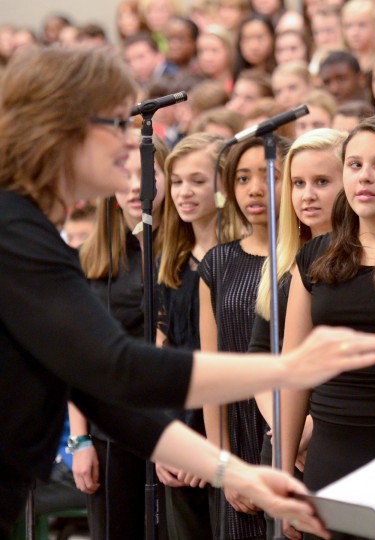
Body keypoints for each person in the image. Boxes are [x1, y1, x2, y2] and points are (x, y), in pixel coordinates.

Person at [0, 43, 375, 539]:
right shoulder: (14, 232)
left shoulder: (23, 228)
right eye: (119, 123)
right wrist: (286, 369)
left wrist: (236, 471)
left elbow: (110, 398)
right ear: (63, 128)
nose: (134, 142)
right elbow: (121, 369)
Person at [280, 115, 375, 540]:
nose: (364, 176)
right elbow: (294, 373)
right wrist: (283, 476)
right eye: (354, 164)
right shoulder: (315, 256)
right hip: (331, 456)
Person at [248, 128, 346, 537]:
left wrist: (312, 426)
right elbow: (259, 356)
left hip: (339, 433)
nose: (307, 195)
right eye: (298, 184)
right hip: (288, 438)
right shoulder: (283, 260)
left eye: (322, 182)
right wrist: (289, 426)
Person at [70, 133, 168, 540]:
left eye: (145, 173)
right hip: (110, 431)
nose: (134, 186)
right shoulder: (91, 261)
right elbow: (77, 357)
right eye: (123, 175)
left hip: (172, 426)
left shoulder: (186, 254)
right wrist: (80, 440)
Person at [198, 136, 290, 540]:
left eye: (268, 175)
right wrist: (224, 466)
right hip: (237, 433)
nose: (254, 188)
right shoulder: (217, 263)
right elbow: (209, 375)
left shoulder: (312, 256)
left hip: (294, 426)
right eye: (242, 178)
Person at [155, 133, 232, 540]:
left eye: (197, 181)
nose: (184, 192)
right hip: (179, 426)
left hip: (230, 423)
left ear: (223, 184)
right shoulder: (172, 258)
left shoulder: (240, 255)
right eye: (178, 181)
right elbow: (160, 352)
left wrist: (206, 441)